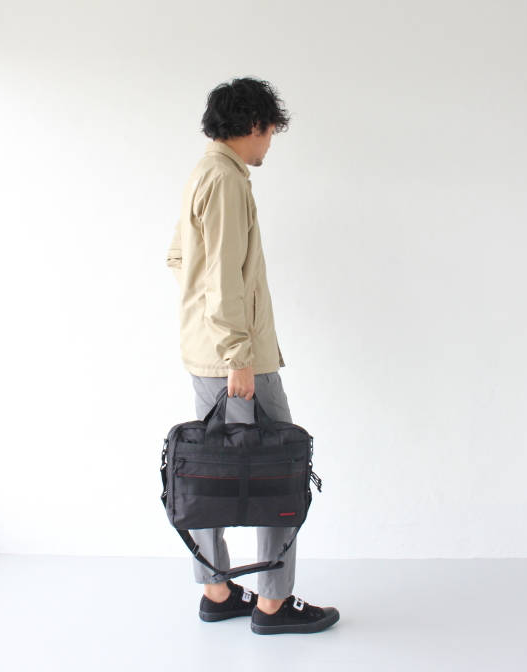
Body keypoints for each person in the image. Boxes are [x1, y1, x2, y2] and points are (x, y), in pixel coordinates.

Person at [166, 76, 339, 634]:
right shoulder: (225, 180)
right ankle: (271, 604)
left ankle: (217, 591)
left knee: (210, 471)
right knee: (277, 471)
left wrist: (212, 329)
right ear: (254, 125)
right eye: (270, 132)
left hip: (207, 353)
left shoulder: (205, 172)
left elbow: (179, 259)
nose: (269, 144)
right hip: (236, 360)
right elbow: (221, 277)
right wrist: (238, 354)